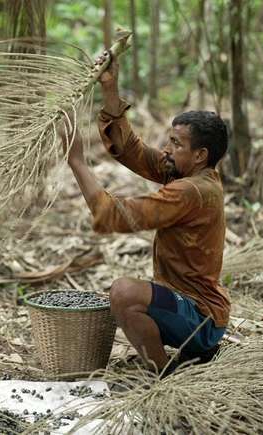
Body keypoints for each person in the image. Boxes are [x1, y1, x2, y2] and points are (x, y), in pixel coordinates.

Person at [63, 51, 230, 374]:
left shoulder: (191, 191)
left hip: (200, 317)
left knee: (124, 293)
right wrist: (110, 88)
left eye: (176, 144)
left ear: (200, 155)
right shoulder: (190, 174)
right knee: (124, 295)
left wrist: (77, 162)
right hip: (189, 309)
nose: (166, 150)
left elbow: (116, 214)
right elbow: (132, 151)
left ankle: (163, 378)